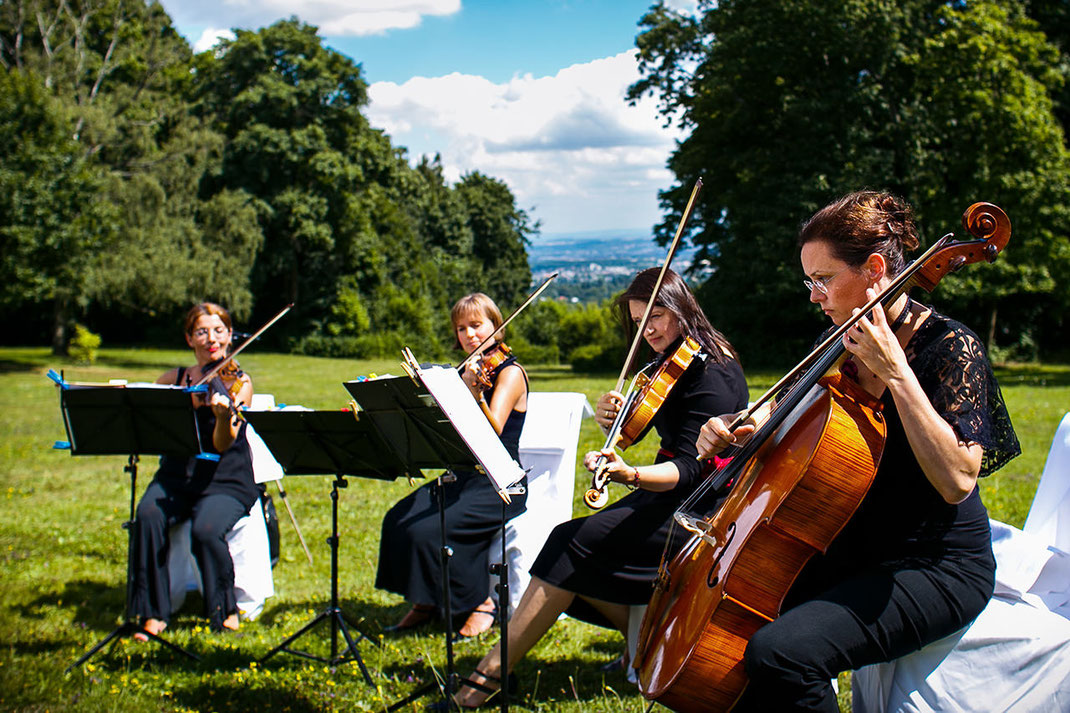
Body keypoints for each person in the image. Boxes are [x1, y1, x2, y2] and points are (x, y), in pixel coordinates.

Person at [693, 190, 1021, 711]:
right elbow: (774, 420)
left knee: (782, 655)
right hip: (850, 546)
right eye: (810, 281)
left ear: (872, 269)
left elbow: (958, 479)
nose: (813, 296)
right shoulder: (838, 343)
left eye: (822, 280)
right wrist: (732, 429)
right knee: (732, 631)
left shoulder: (949, 346)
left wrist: (897, 372)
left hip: (935, 564)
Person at [453, 267, 749, 707]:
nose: (646, 329)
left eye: (656, 317)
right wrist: (614, 417)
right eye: (638, 321)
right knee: (567, 551)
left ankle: (483, 682)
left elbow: (689, 469)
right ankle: (643, 634)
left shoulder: (714, 372)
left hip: (701, 508)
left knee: (568, 547)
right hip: (667, 494)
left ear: (682, 308)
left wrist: (627, 473)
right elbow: (647, 428)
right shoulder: (674, 361)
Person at [376, 293, 528, 639]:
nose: (470, 334)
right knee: (399, 520)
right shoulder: (463, 372)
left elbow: (494, 431)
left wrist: (473, 394)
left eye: (477, 325)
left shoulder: (510, 373)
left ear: (495, 326)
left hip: (500, 482)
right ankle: (425, 599)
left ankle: (481, 603)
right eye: (462, 328)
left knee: (436, 529)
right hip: (462, 475)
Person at [131, 302, 259, 639]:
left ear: (231, 336)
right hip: (177, 475)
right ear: (190, 338)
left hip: (225, 480)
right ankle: (153, 612)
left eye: (219, 331)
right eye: (201, 331)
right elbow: (147, 416)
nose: (211, 339)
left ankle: (224, 608)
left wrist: (220, 417)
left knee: (205, 529)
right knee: (147, 515)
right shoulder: (173, 379)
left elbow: (223, 444)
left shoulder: (238, 382)